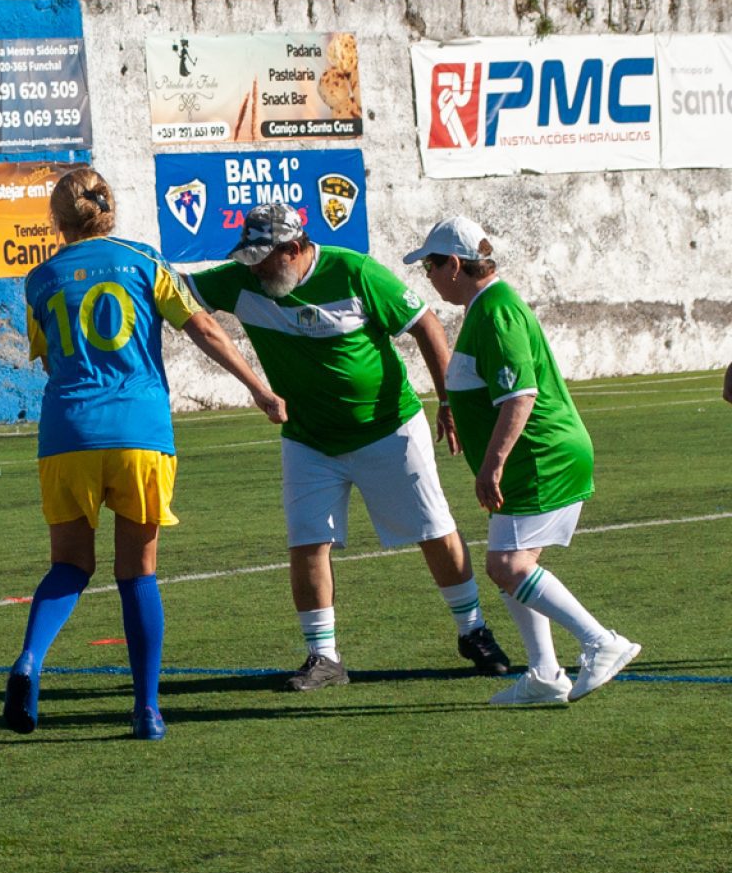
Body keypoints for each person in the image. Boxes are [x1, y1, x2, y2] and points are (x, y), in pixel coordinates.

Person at [2, 168, 286, 741]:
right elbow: (202, 327)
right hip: (139, 432)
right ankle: (147, 709)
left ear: (57, 221)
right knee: (138, 572)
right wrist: (257, 387)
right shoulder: (145, 261)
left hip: (67, 434)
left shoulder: (40, 279)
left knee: (69, 565)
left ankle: (30, 659)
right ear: (110, 210)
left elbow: (51, 358)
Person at [185, 203, 510, 691]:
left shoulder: (355, 270)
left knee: (435, 528)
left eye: (263, 258)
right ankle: (323, 657)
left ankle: (473, 630)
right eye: (247, 259)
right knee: (307, 541)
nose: (253, 269)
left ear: (294, 249)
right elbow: (172, 291)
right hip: (309, 439)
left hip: (389, 429)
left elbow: (426, 325)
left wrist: (448, 400)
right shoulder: (239, 280)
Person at [405, 215, 640, 705]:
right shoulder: (485, 308)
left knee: (508, 565)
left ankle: (602, 642)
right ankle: (545, 675)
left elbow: (521, 395)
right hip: (531, 456)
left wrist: (492, 464)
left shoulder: (496, 310)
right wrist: (454, 410)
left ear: (454, 264)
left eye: (429, 265)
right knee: (517, 565)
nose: (427, 275)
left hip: (539, 455)